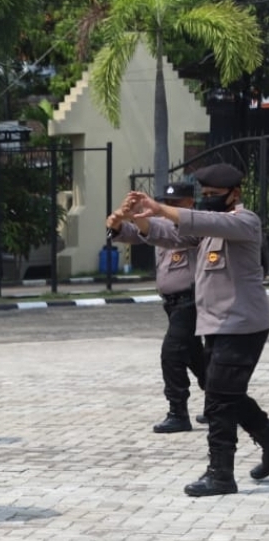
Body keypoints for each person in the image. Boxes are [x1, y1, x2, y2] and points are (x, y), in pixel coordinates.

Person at [122, 164, 269, 496]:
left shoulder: (245, 222)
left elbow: (206, 220)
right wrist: (141, 217)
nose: (209, 203)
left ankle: (220, 474)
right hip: (217, 325)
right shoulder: (206, 230)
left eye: (215, 196)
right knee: (224, 393)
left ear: (234, 194)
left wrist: (163, 208)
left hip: (243, 325)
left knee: (218, 398)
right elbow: (168, 234)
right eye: (206, 196)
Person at [107, 182, 206, 432]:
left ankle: (178, 413)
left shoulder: (196, 226)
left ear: (189, 204)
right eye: (167, 202)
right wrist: (119, 220)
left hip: (190, 301)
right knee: (197, 358)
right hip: (172, 305)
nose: (169, 207)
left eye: (176, 203)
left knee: (171, 354)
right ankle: (223, 402)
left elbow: (159, 230)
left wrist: (144, 217)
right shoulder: (162, 225)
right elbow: (133, 233)